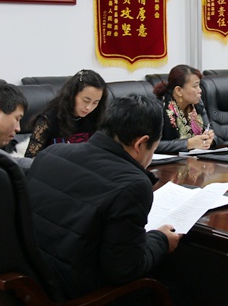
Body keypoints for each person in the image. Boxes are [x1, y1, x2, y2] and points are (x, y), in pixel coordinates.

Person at [26, 94, 182, 300]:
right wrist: (161, 239)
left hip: (31, 284)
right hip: (77, 295)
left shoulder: (51, 153)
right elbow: (123, 270)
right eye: (153, 149)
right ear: (141, 143)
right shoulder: (133, 185)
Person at [25, 69, 108, 158]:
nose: (89, 107)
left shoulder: (96, 116)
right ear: (72, 94)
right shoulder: (47, 120)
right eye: (86, 100)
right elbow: (30, 158)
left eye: (95, 102)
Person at [153, 64, 215, 153]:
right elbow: (151, 145)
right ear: (178, 91)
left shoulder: (197, 104)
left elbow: (214, 134)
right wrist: (188, 144)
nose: (200, 90)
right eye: (195, 86)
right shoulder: (159, 108)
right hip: (172, 160)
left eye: (199, 85)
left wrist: (210, 140)